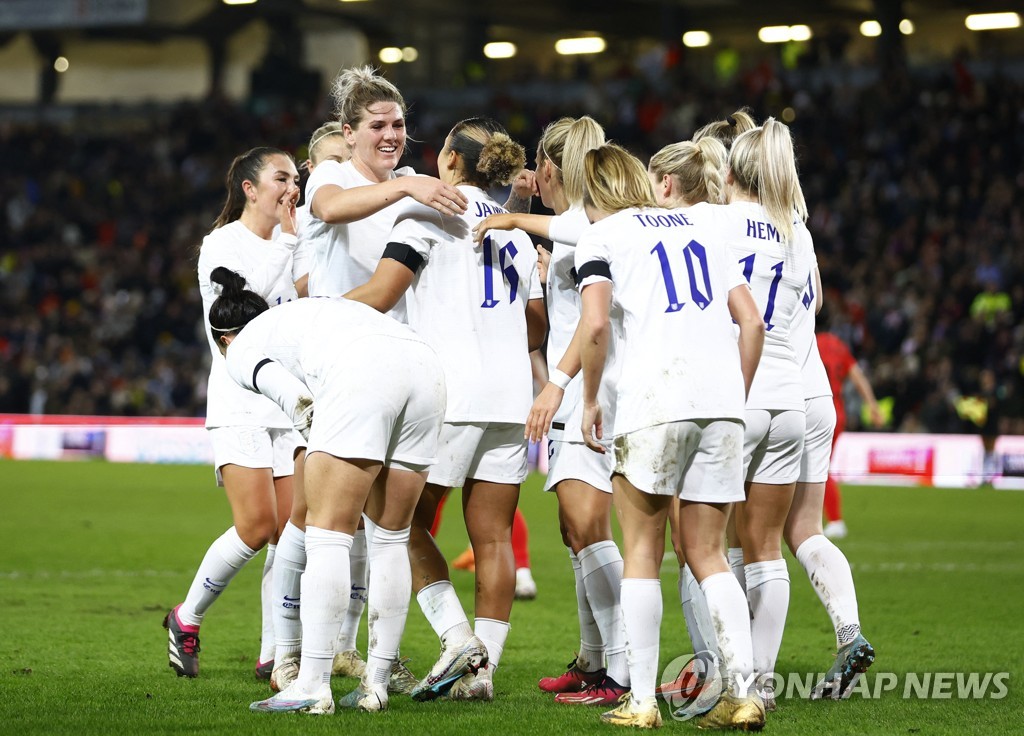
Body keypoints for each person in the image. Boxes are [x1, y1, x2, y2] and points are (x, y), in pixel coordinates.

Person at [346, 117, 546, 702]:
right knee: (494, 539)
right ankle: (482, 676)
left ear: (452, 162)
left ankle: (457, 638)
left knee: (394, 520)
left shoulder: (427, 213)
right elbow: (535, 326)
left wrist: (313, 312)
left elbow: (382, 294)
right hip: (511, 397)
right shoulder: (514, 228)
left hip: (450, 393)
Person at [574, 143, 765, 729]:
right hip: (721, 405)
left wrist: (587, 399)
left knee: (641, 553)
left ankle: (641, 703)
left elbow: (597, 321)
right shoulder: (708, 225)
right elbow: (751, 320)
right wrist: (734, 393)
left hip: (654, 403)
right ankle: (745, 694)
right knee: (709, 554)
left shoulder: (603, 237)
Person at [200, 268, 446, 715]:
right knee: (390, 537)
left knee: (328, 531)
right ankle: (376, 686)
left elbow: (296, 400)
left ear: (224, 339)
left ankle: (312, 683)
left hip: (365, 369)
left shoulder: (239, 349)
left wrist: (320, 447)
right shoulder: (303, 316)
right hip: (424, 365)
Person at [475, 117, 630, 706]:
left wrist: (558, 385)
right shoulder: (580, 225)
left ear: (550, 167)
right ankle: (594, 660)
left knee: (588, 525)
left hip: (592, 393)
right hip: (587, 391)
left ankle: (620, 669)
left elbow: (590, 322)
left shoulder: (588, 224)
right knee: (573, 530)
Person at [163, 147, 302, 680]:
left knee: (293, 532)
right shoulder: (222, 245)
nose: (292, 188)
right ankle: (186, 617)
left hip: (287, 406)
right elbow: (243, 315)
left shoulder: (292, 245)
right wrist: (290, 244)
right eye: (280, 178)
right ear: (249, 188)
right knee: (256, 525)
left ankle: (275, 653)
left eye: (295, 178)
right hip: (240, 402)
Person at [724, 119, 816, 710]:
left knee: (705, 546)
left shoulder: (718, 221)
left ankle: (720, 674)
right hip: (789, 397)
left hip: (735, 389)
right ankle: (762, 681)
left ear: (730, 172)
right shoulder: (798, 232)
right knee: (765, 547)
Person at [784, 296, 877, 701]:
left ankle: (744, 677)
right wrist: (870, 404)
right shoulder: (802, 240)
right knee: (806, 528)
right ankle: (849, 633)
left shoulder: (731, 237)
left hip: (770, 390)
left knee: (749, 538)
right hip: (821, 401)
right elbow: (817, 299)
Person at [816, 314, 885, 538]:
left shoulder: (808, 343)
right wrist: (872, 406)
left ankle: (835, 520)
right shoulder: (839, 347)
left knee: (815, 467)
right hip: (837, 411)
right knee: (817, 466)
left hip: (815, 408)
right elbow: (858, 378)